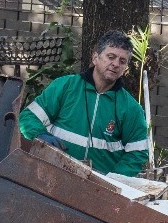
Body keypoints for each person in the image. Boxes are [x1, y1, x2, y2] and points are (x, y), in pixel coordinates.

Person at [18, 30, 149, 177]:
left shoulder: (131, 108)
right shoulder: (65, 86)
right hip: (51, 175)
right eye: (110, 57)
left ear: (125, 68)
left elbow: (137, 153)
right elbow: (28, 117)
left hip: (98, 190)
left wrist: (115, 180)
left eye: (122, 61)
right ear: (95, 58)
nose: (116, 64)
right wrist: (39, 134)